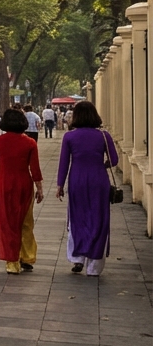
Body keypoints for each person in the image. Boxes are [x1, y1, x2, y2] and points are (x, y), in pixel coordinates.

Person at [57, 101, 120, 276]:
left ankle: (77, 257)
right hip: (99, 180)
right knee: (99, 219)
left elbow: (64, 163)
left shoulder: (69, 137)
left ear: (75, 116)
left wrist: (60, 185)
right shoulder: (103, 136)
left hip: (77, 179)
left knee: (78, 218)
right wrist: (101, 165)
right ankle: (94, 266)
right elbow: (114, 160)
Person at [0, 108, 44, 274]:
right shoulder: (30, 143)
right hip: (24, 184)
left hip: (5, 185)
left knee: (7, 222)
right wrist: (39, 188)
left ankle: (12, 262)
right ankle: (27, 256)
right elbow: (35, 169)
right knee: (26, 221)